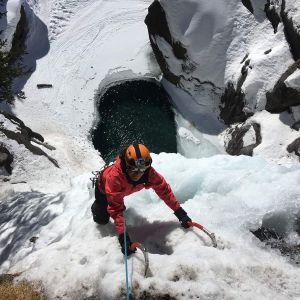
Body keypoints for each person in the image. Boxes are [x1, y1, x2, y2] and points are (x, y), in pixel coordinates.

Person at [91, 143, 192, 255]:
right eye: (133, 170)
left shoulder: (148, 173)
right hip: (103, 190)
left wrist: (180, 213)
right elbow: (116, 209)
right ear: (126, 165)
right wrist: (123, 238)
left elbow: (165, 192)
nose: (138, 174)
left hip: (122, 191)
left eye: (142, 169)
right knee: (102, 219)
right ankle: (98, 208)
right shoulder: (115, 178)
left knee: (118, 205)